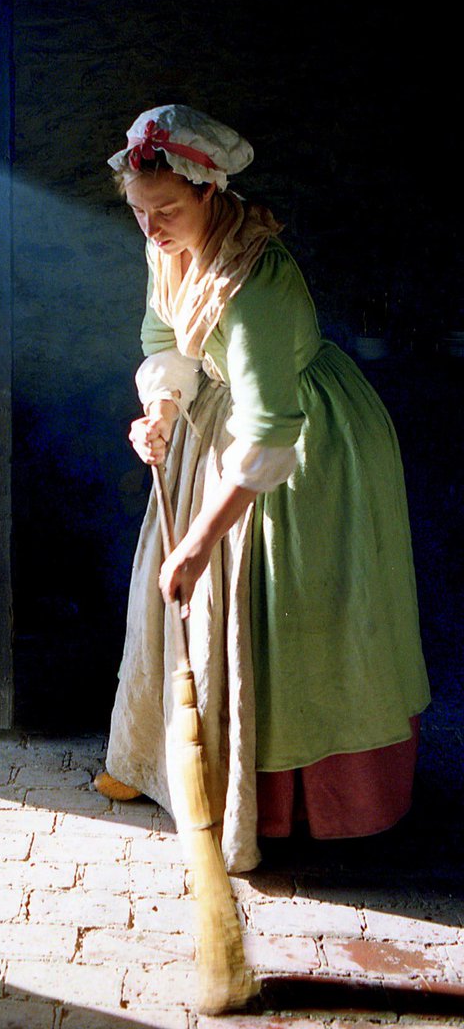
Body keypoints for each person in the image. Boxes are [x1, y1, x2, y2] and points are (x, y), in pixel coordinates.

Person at [94, 104, 431, 873]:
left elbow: (272, 427)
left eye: (167, 212)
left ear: (210, 192)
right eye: (141, 214)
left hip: (301, 443)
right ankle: (165, 764)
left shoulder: (256, 282)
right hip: (218, 418)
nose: (152, 230)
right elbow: (161, 338)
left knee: (279, 607)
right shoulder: (167, 245)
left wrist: (200, 542)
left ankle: (293, 801)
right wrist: (159, 414)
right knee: (175, 601)